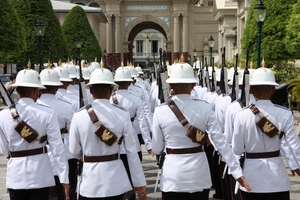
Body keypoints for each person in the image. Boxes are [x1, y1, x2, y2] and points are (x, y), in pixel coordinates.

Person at [151, 62, 250, 200]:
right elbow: (220, 142)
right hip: (198, 173)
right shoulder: (205, 108)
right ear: (192, 85)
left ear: (171, 86)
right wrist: (236, 171)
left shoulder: (160, 111)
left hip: (173, 175)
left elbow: (156, 148)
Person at [69, 67, 147, 200]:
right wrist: (139, 182)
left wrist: (89, 157)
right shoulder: (122, 114)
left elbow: (74, 150)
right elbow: (131, 152)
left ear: (91, 90)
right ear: (111, 90)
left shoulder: (79, 115)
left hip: (90, 181)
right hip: (114, 181)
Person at [0, 66, 69, 200]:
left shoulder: (3, 115)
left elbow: (3, 149)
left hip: (16, 174)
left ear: (17, 89)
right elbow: (57, 148)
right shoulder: (48, 113)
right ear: (36, 90)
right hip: (40, 174)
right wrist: (64, 178)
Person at [232, 67, 300, 200]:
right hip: (277, 179)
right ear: (273, 90)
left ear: (251, 89)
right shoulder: (285, 113)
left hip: (252, 178)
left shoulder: (241, 115)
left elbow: (237, 149)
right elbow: (294, 146)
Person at [38, 65, 74, 200]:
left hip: (39, 153)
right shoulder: (67, 106)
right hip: (64, 151)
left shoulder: (35, 107)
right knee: (59, 193)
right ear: (57, 86)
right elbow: (72, 133)